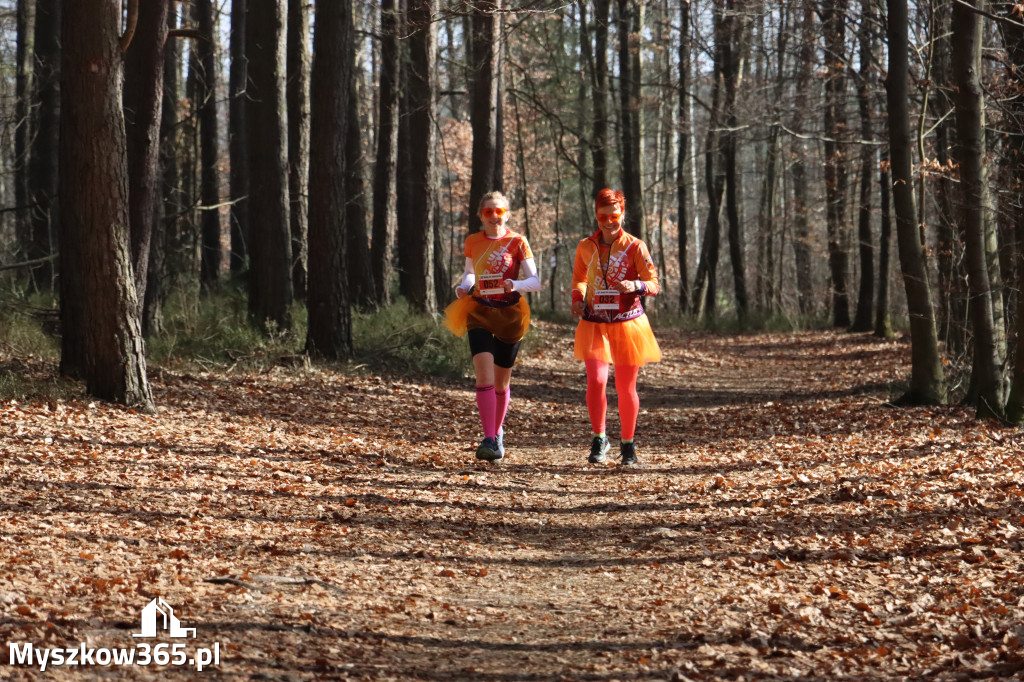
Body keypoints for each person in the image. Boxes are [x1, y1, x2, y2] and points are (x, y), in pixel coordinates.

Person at [444, 191, 541, 462]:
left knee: (501, 383)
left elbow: (535, 281)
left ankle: (497, 432)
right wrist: (464, 287)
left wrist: (517, 284)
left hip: (510, 315)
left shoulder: (518, 241)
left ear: (507, 214)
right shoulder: (473, 241)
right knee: (483, 377)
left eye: (499, 211)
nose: (494, 216)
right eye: (489, 212)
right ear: (480, 216)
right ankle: (488, 438)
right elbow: (470, 272)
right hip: (480, 312)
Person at [571, 188, 661, 466]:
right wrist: (577, 298)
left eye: (614, 215)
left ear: (622, 214)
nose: (609, 221)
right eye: (603, 216)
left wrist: (636, 285)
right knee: (596, 382)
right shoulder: (586, 246)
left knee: (625, 387)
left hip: (627, 323)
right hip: (594, 322)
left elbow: (655, 284)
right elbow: (579, 279)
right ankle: (599, 438)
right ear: (596, 216)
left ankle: (628, 444)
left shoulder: (635, 246)